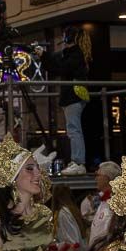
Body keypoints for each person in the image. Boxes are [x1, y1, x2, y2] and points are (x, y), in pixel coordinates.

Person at [44, 26, 91, 174]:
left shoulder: (75, 55)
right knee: (73, 129)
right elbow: (54, 67)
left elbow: (61, 68)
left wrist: (44, 56)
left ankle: (78, 162)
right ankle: (77, 162)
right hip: (71, 97)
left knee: (74, 130)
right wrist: (43, 56)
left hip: (72, 96)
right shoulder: (73, 54)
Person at [84, 160, 120, 246]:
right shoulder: (104, 200)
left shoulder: (118, 203)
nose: (96, 178)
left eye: (98, 175)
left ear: (107, 178)